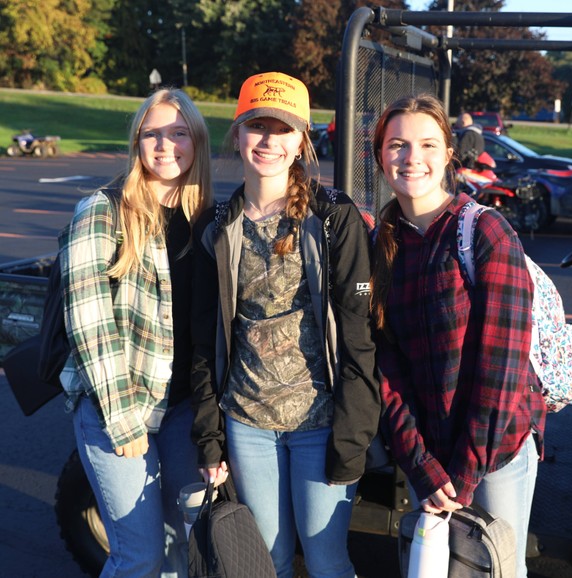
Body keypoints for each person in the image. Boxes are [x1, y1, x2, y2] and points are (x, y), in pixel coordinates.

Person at [190, 71, 380, 578]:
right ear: (237, 133)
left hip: (320, 425)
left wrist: (354, 431)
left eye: (284, 129)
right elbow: (206, 340)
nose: (269, 140)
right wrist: (211, 436)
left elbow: (358, 335)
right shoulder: (217, 227)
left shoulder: (333, 218)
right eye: (257, 126)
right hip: (247, 423)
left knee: (325, 560)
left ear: (302, 140)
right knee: (266, 561)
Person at [370, 93, 546, 578]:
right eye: (397, 145)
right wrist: (420, 462)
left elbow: (502, 370)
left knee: (494, 568)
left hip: (493, 454)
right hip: (426, 453)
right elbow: (384, 363)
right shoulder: (378, 247)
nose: (412, 158)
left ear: (449, 154)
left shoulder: (486, 233)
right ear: (379, 154)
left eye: (428, 144)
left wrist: (463, 475)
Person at [58, 88, 223, 578]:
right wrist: (123, 420)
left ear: (197, 141)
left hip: (179, 412)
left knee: (177, 549)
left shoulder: (208, 220)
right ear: (136, 141)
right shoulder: (102, 210)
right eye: (153, 133)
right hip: (119, 411)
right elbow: (89, 321)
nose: (165, 144)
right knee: (140, 556)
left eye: (179, 132)